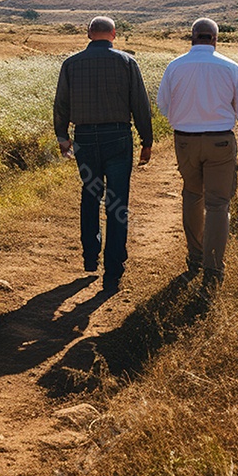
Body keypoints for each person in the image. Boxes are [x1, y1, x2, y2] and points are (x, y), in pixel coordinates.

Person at [53, 16, 153, 294]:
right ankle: (114, 265)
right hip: (119, 137)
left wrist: (62, 137)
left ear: (88, 34)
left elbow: (61, 103)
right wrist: (147, 138)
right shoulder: (126, 62)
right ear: (113, 34)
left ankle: (89, 255)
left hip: (84, 139)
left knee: (90, 193)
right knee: (117, 201)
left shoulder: (71, 64)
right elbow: (140, 103)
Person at [156, 17, 238, 296]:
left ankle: (194, 257)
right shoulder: (230, 67)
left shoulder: (174, 66)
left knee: (191, 195)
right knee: (218, 205)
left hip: (185, 141)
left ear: (192, 38)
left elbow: (163, 105)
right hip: (221, 141)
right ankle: (213, 268)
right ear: (215, 39)